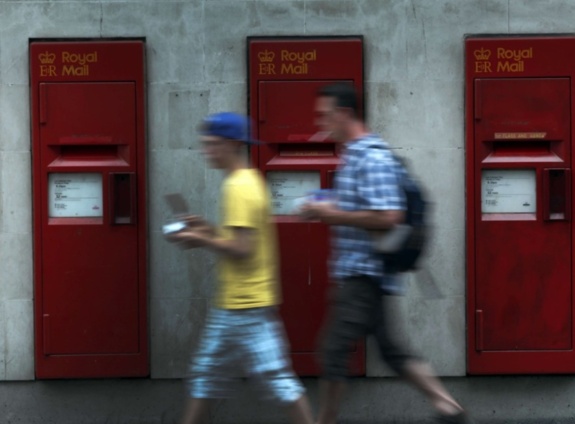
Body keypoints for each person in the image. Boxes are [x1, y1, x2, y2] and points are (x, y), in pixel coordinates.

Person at [299, 83, 475, 424]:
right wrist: (323, 207)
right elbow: (365, 208)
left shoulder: (372, 158)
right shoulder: (353, 157)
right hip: (364, 271)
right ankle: (448, 407)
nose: (320, 123)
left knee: (333, 351)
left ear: (345, 113)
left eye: (325, 115)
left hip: (364, 272)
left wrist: (332, 215)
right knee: (393, 351)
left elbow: (388, 216)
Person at [166, 112, 314, 424]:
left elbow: (243, 249)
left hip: (244, 304)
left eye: (212, 144)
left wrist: (199, 239)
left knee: (274, 381)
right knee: (210, 377)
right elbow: (240, 239)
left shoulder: (239, 187)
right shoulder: (248, 181)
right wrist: (206, 229)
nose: (206, 150)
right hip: (243, 302)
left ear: (233, 144)